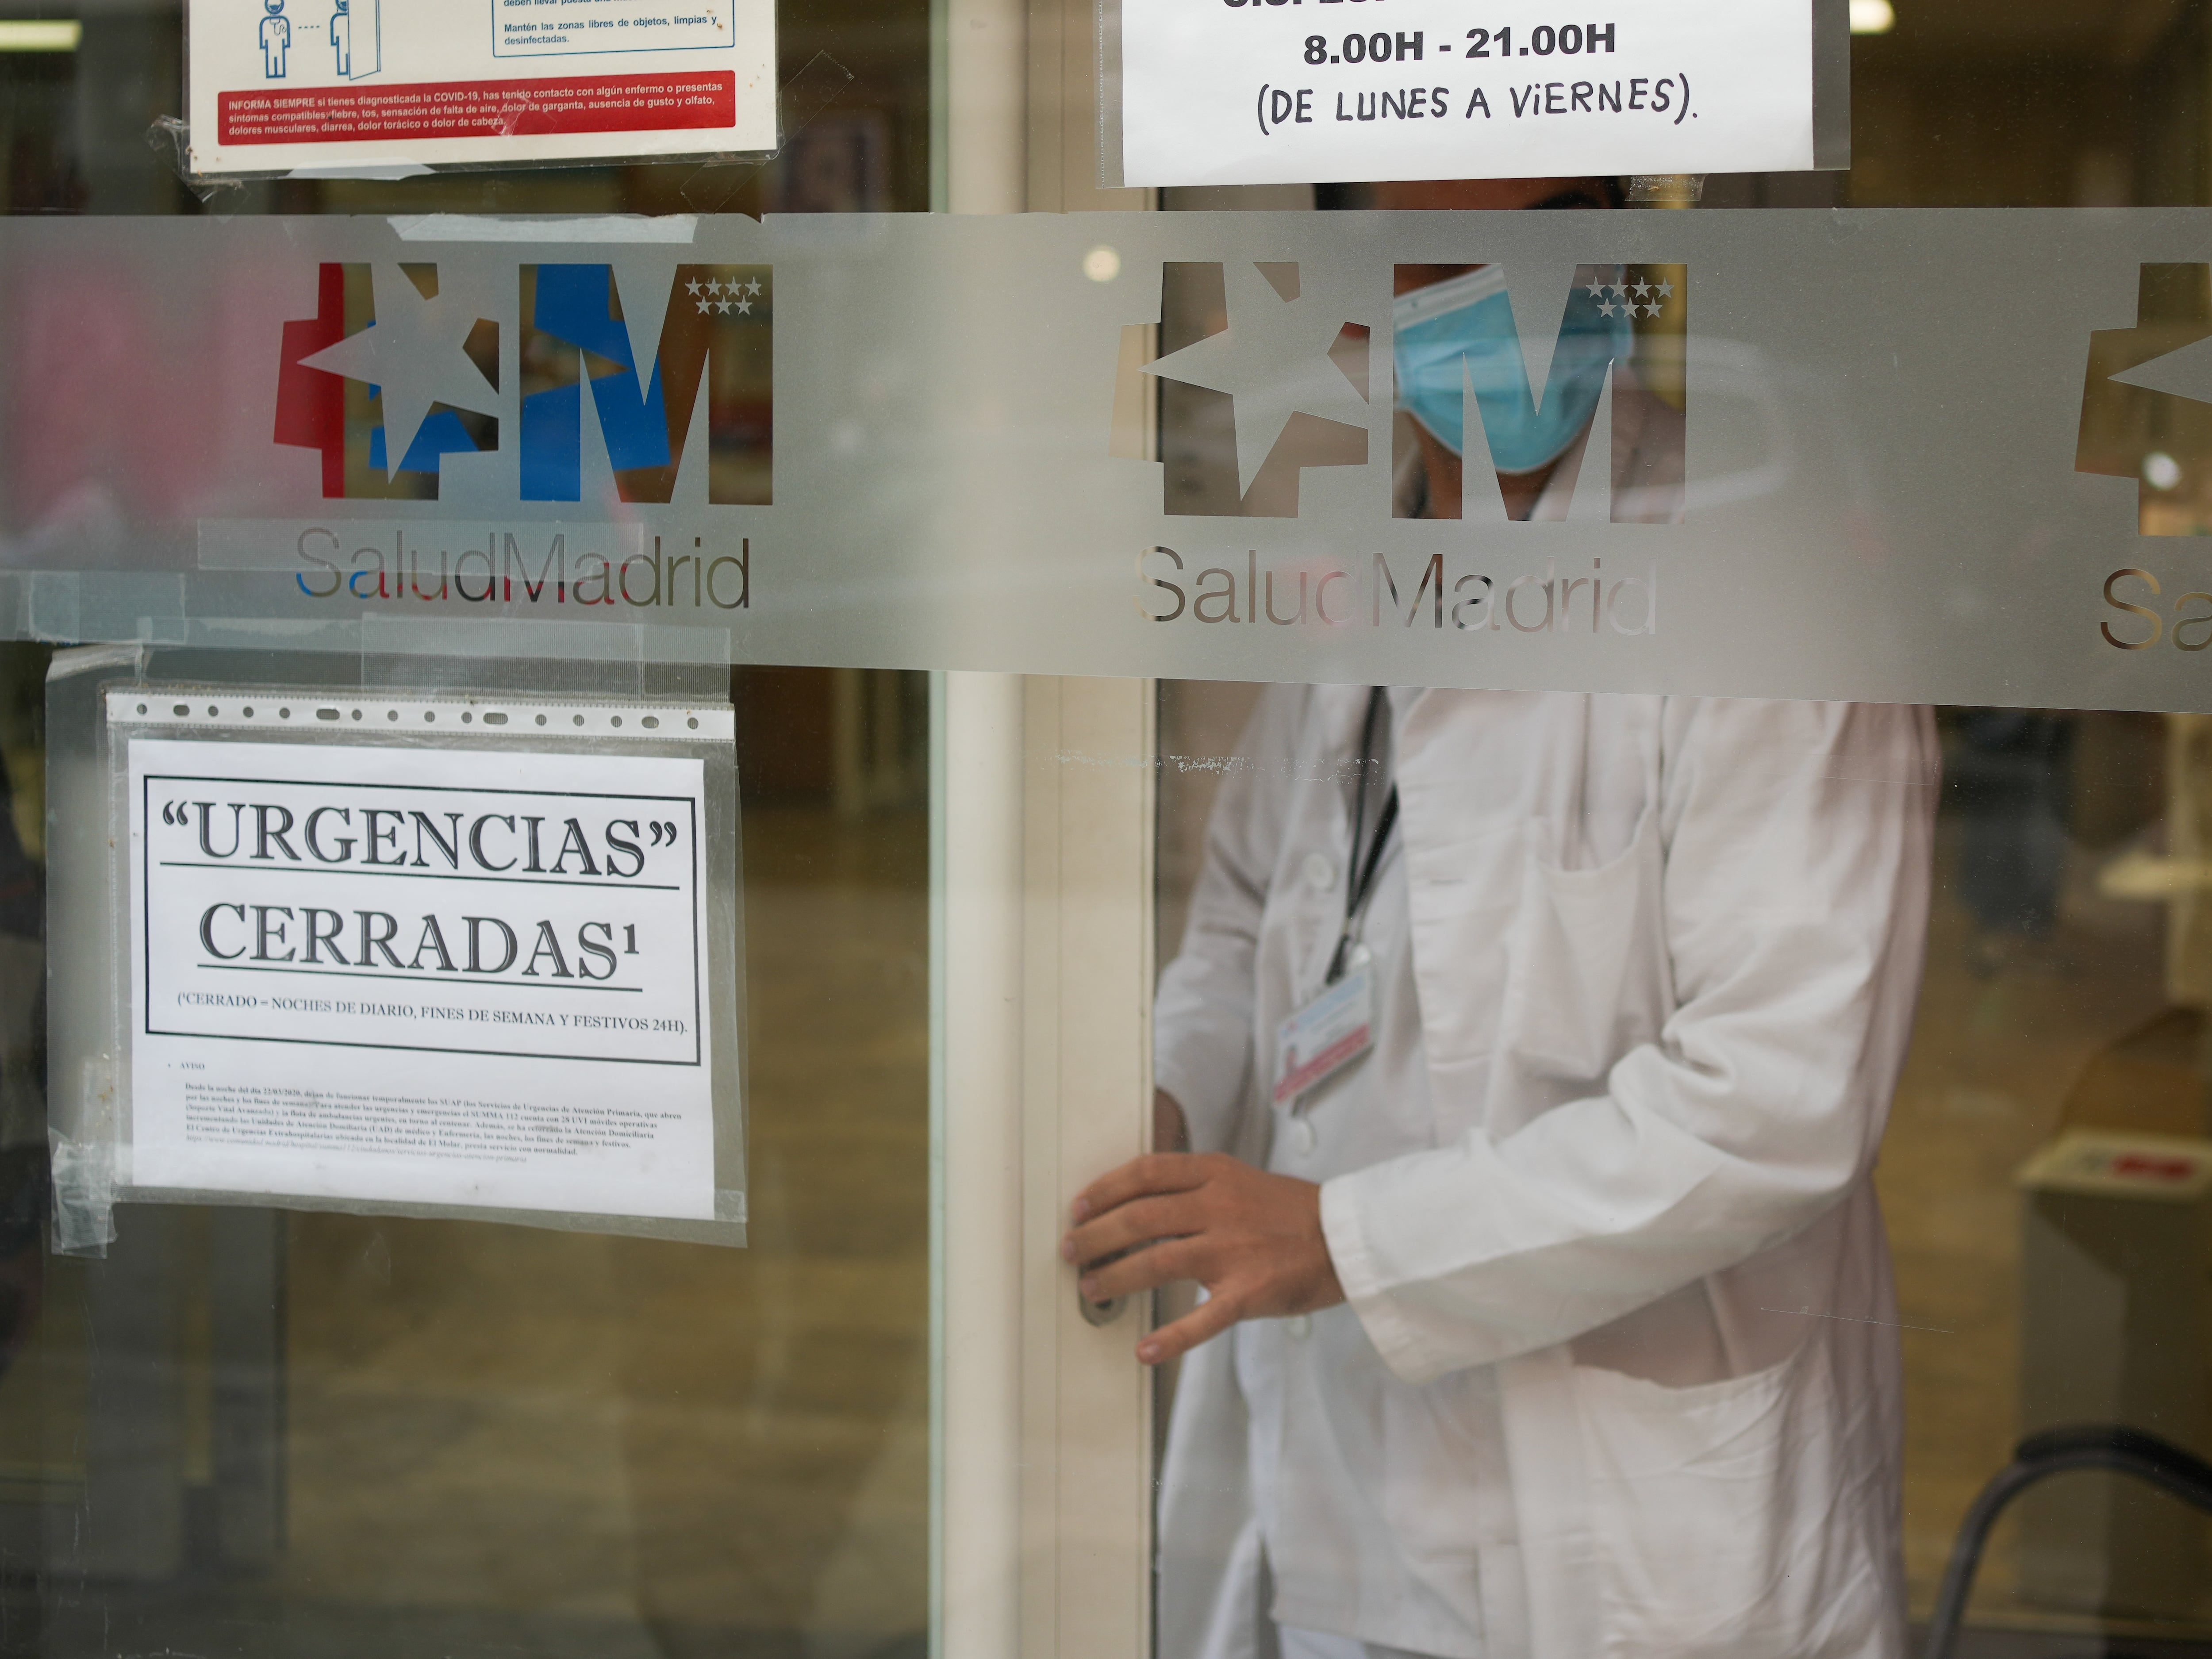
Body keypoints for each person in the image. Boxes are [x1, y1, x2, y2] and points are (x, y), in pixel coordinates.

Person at [1063, 177, 1938, 1659]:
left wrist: (1352, 1241)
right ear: (1355, 301)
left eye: (1543, 233)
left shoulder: (1763, 584)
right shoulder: (1362, 573)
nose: (1501, 292)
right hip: (1339, 1476)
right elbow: (1243, 923)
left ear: (1616, 250)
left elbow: (1778, 1094)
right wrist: (1161, 1098)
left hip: (1620, 1513)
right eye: (1438, 261)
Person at [260, 0, 291, 80]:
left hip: (280, 45)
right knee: (271, 64)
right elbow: (263, 36)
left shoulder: (284, 20)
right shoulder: (265, 22)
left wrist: (286, 44)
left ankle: (280, 74)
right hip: (269, 46)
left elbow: (287, 36)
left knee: (280, 63)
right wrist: (264, 45)